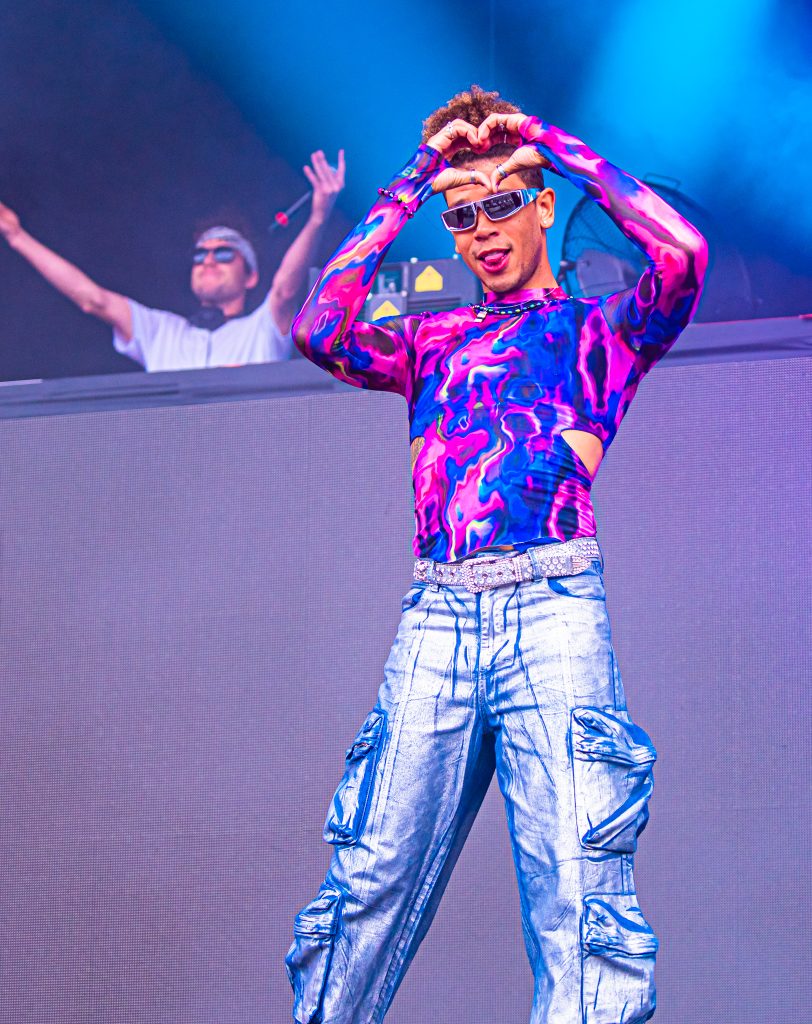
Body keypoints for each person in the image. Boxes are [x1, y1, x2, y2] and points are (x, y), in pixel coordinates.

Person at [287, 85, 707, 1024]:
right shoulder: (429, 340)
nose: (481, 229)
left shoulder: (602, 330)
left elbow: (682, 255)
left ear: (544, 205)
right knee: (367, 880)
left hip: (554, 614)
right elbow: (317, 329)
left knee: (579, 892)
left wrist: (547, 142)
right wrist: (418, 178)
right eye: (462, 215)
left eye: (503, 203)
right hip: (436, 620)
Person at [0, 150, 345, 372]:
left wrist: (317, 218)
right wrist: (16, 235)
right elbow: (92, 299)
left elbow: (285, 289)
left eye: (224, 253)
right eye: (200, 254)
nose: (208, 260)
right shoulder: (160, 332)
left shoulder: (262, 329)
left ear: (250, 276)